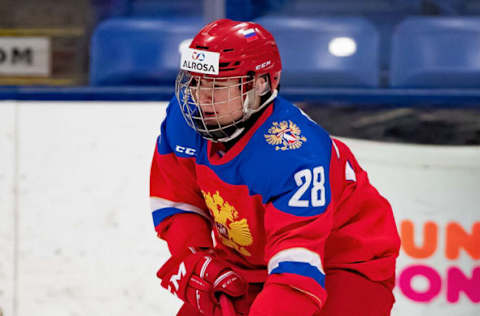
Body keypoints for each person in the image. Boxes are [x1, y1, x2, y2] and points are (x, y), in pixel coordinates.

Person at [150, 18, 401, 316]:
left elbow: (298, 274)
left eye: (219, 85)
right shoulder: (184, 116)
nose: (202, 96)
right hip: (248, 262)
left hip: (344, 260)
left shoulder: (294, 153)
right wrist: (198, 258)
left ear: (261, 83)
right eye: (197, 81)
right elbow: (176, 200)